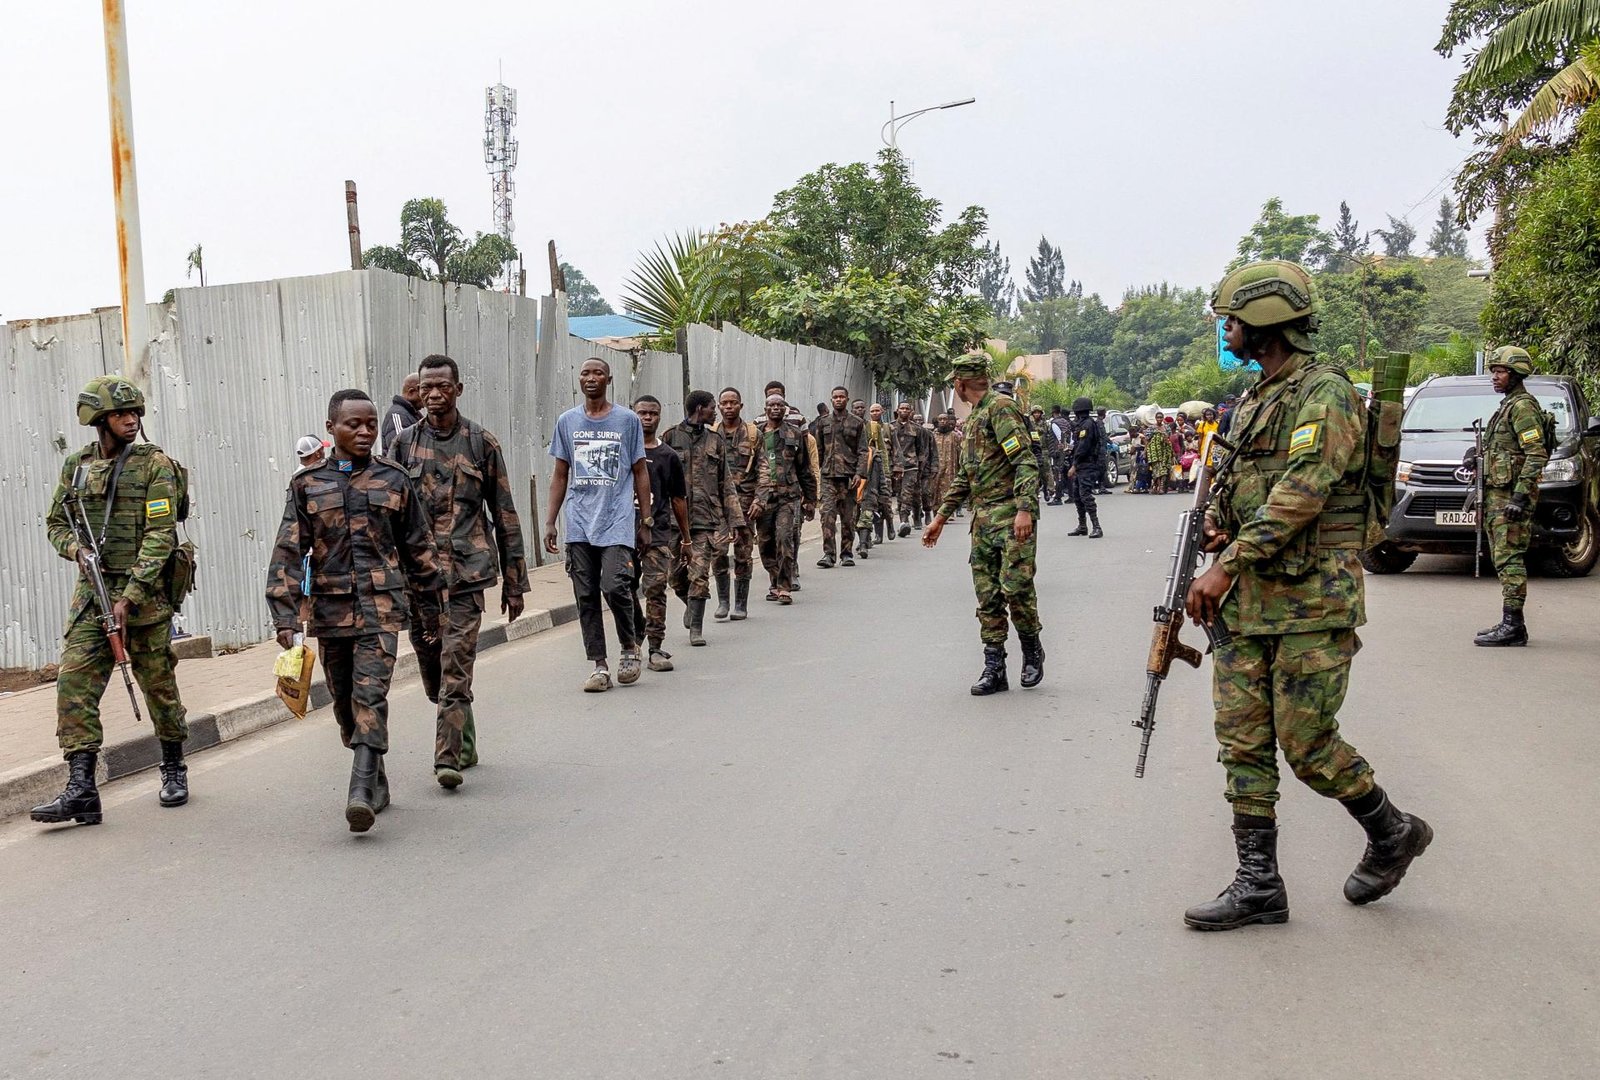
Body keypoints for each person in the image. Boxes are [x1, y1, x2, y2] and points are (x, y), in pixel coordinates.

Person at [1183, 259, 1431, 931]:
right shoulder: (1260, 396)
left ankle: (1392, 829)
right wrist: (1219, 526)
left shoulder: (1325, 395)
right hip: (1250, 604)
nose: (1226, 329)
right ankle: (1258, 883)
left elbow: (1304, 491)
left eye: (1232, 319)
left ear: (1264, 321)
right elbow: (1256, 489)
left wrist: (1225, 564)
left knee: (1307, 743)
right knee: (1242, 743)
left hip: (1310, 605)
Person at [266, 389, 443, 832]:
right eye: (354, 425)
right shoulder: (307, 485)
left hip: (382, 610)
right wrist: (284, 615)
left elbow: (420, 549)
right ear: (331, 429)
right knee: (345, 706)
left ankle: (360, 790)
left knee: (370, 696)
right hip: (329, 613)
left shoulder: (395, 480)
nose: (365, 432)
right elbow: (290, 551)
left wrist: (430, 612)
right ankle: (376, 777)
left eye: (370, 424)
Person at [33, 376, 192, 826]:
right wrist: (76, 551)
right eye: (121, 414)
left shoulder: (154, 465)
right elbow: (55, 523)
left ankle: (174, 766)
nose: (131, 420)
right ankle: (82, 789)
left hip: (144, 593)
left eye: (135, 413)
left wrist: (131, 595)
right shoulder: (77, 466)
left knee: (158, 684)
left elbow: (162, 536)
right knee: (74, 684)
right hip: (93, 595)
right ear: (98, 420)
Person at [386, 354, 529, 789]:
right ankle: (463, 737)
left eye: (442, 386)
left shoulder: (481, 443)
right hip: (417, 583)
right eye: (426, 387)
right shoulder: (402, 445)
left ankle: (446, 760)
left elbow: (504, 513)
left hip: (467, 577)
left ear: (458, 389)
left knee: (455, 669)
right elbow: (386, 517)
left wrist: (515, 582)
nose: (433, 394)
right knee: (434, 675)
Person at [923, 354, 1043, 695]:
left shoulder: (1000, 409)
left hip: (1011, 519)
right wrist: (941, 517)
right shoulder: (976, 417)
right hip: (983, 521)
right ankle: (995, 666)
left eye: (954, 383)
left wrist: (1024, 510)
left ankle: (1032, 648)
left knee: (1016, 589)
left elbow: (1024, 461)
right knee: (988, 596)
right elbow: (965, 475)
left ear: (960, 384)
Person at [544, 357, 651, 692]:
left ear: (609, 379)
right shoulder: (567, 422)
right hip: (578, 523)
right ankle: (600, 666)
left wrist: (645, 519)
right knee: (585, 595)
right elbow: (561, 474)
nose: (590, 378)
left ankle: (629, 646)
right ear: (579, 379)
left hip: (616, 519)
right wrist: (550, 520)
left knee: (615, 586)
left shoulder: (627, 420)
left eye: (597, 373)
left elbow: (640, 472)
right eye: (585, 373)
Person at [1474, 345, 1551, 646]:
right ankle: (1510, 622)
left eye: (1501, 371)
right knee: (1502, 557)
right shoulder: (1509, 405)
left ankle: (1513, 626)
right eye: (1493, 371)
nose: (1495, 376)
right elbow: (1508, 450)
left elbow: (1536, 454)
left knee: (1510, 559)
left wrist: (1519, 497)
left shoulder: (1522, 407)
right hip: (1498, 495)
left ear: (1517, 374)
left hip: (1510, 497)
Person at [664, 389, 744, 646]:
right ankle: (690, 603)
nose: (716, 411)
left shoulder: (715, 440)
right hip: (674, 521)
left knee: (699, 574)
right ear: (700, 409)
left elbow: (726, 483)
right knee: (674, 576)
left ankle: (696, 629)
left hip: (705, 520)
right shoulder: (670, 437)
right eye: (712, 407)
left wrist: (735, 521)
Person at [629, 395, 690, 671]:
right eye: (642, 413)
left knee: (654, 588)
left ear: (659, 416)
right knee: (622, 588)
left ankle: (655, 647)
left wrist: (686, 539)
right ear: (633, 415)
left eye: (652, 413)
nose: (647, 418)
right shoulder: (622, 451)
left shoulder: (668, 456)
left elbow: (678, 499)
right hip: (622, 533)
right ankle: (634, 634)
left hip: (657, 533)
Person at [750, 393, 818, 603]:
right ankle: (774, 580)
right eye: (772, 405)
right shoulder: (756, 435)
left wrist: (810, 499)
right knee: (765, 543)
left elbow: (804, 468)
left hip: (788, 496)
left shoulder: (795, 435)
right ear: (765, 409)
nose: (776, 408)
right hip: (763, 497)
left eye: (780, 405)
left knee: (785, 539)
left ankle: (784, 586)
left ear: (785, 409)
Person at [711, 388, 760, 622]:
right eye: (724, 403)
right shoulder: (711, 434)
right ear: (719, 407)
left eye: (733, 403)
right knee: (718, 552)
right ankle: (723, 601)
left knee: (743, 554)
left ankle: (741, 604)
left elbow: (765, 469)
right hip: (718, 506)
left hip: (745, 505)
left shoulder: (752, 434)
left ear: (741, 405)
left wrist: (760, 498)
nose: (728, 407)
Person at [813, 386, 869, 567]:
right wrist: (817, 473)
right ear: (831, 400)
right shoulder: (823, 423)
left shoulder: (857, 423)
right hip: (828, 476)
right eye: (835, 397)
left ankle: (846, 553)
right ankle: (828, 554)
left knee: (848, 518)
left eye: (841, 397)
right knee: (827, 516)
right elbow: (818, 450)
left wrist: (860, 473)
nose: (838, 400)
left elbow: (862, 450)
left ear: (847, 399)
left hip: (849, 477)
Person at [1066, 397, 1106, 537]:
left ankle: (1097, 527)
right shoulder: (1083, 424)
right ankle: (1082, 526)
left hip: (1086, 465)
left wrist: (1074, 465)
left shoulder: (1087, 425)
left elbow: (1084, 446)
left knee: (1086, 495)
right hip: (1082, 465)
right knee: (1077, 495)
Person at [890, 402, 923, 537]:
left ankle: (904, 520)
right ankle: (905, 518)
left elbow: (921, 449)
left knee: (907, 493)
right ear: (897, 410)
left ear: (911, 411)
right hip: (895, 466)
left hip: (911, 466)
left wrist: (921, 468)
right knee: (898, 492)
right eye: (902, 408)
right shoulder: (890, 427)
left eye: (906, 409)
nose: (904, 411)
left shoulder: (917, 429)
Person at [379, 373, 422, 454]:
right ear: (411, 392)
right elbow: (401, 451)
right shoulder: (398, 415)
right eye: (423, 391)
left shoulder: (413, 414)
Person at [930, 412, 963, 517]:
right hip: (935, 468)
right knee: (934, 490)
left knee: (949, 490)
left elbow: (960, 452)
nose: (943, 421)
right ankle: (935, 512)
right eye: (941, 419)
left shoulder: (954, 436)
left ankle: (947, 513)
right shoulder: (933, 435)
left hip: (950, 469)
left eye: (945, 419)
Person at [1145, 418, 1175, 494]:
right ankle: (1157, 486)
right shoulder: (1151, 428)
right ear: (1155, 418)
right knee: (1156, 470)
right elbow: (1147, 440)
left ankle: (1161, 487)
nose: (1159, 419)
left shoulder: (1166, 427)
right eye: (1158, 417)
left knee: (1164, 470)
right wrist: (1145, 451)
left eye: (1161, 417)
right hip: (1154, 451)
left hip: (1165, 450)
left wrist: (1171, 451)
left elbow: (1169, 438)